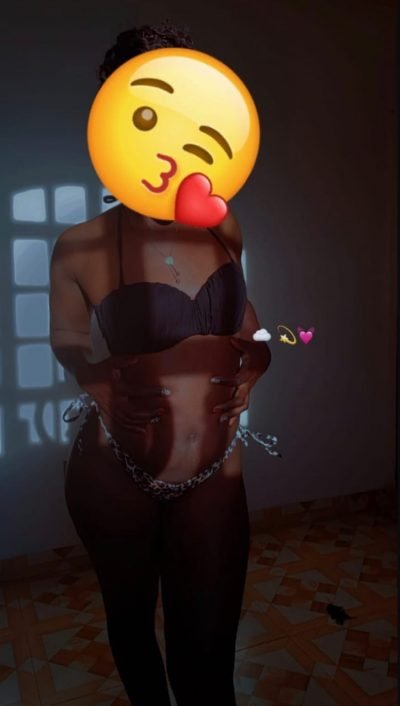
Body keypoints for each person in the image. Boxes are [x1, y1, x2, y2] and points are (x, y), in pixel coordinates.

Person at [50, 20, 280, 706]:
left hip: (215, 473)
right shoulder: (81, 245)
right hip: (114, 474)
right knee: (131, 625)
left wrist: (257, 363)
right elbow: (65, 339)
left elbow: (250, 327)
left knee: (208, 663)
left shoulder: (223, 226)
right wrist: (93, 379)